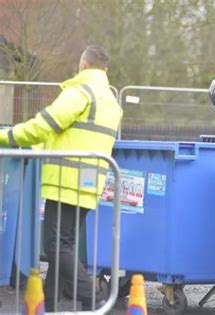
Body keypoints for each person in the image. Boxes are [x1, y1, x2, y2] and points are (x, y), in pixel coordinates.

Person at [0, 45, 123, 311]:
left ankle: (95, 298)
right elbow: (73, 134)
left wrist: (6, 137)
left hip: (66, 181)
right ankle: (51, 303)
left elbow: (44, 125)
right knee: (64, 244)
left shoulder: (80, 93)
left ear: (83, 65)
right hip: (90, 180)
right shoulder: (111, 101)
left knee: (56, 245)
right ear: (105, 69)